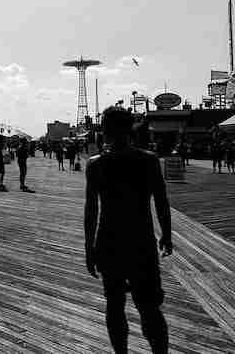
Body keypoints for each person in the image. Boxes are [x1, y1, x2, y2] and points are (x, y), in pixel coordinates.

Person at [85, 107, 172, 354]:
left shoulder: (96, 165)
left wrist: (88, 247)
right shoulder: (147, 160)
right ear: (130, 129)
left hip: (108, 241)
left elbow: (91, 211)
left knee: (114, 305)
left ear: (106, 130)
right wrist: (166, 234)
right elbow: (161, 201)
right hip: (141, 241)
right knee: (149, 306)